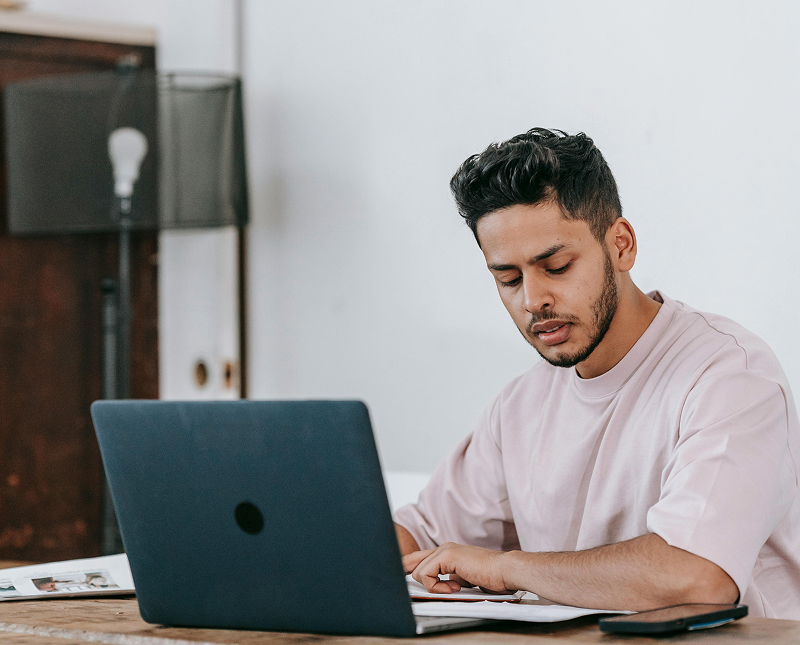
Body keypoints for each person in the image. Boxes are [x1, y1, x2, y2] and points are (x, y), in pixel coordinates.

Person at [393, 128, 800, 619]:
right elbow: (422, 535)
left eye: (557, 266)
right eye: (508, 278)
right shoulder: (520, 406)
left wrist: (506, 568)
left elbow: (696, 576)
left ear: (622, 245)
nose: (532, 300)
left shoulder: (729, 376)